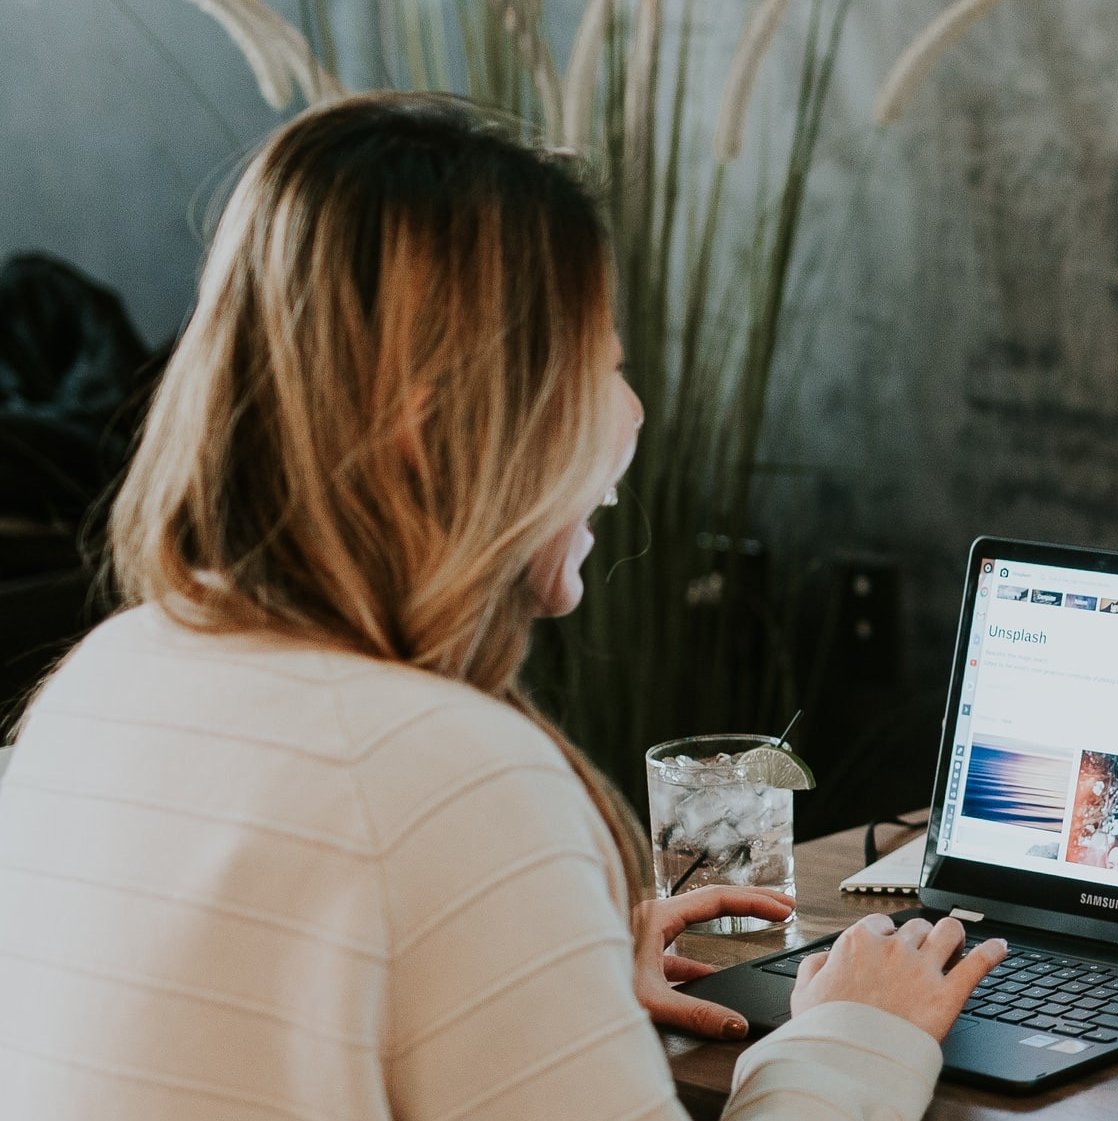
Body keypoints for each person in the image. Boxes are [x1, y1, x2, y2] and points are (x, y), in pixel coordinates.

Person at [0, 93, 1004, 1119]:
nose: (632, 412)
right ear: (437, 427)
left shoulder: (99, 681)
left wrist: (538, 961)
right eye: (598, 368)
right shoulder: (446, 775)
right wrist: (854, 1033)